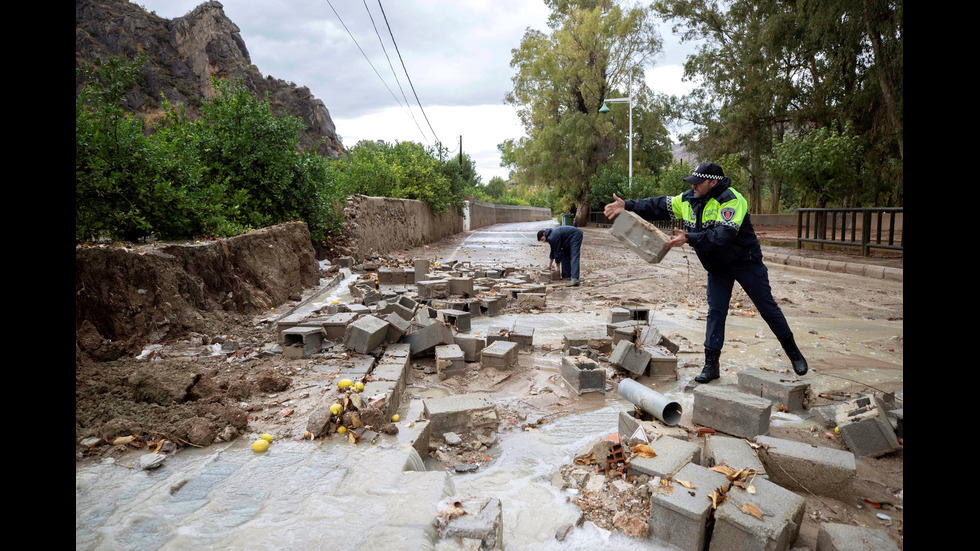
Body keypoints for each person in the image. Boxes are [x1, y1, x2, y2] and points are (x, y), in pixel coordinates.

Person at [603, 162, 808, 383]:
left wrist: (690, 238)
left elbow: (722, 236)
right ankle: (711, 366)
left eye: (699, 183)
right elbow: (660, 205)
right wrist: (628, 205)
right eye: (693, 183)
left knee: (767, 307)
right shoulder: (689, 199)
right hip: (717, 267)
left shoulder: (731, 200)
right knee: (716, 313)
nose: (694, 187)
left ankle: (793, 353)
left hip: (745, 262)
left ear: (713, 182)